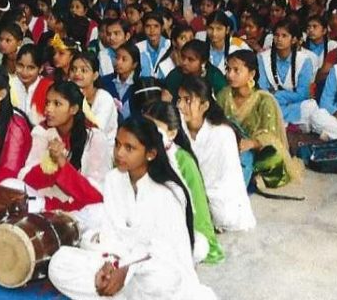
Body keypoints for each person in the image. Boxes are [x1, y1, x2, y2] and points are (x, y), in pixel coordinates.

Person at [48, 117, 216, 300]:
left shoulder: (168, 192)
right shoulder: (113, 179)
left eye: (129, 148)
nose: (119, 153)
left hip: (153, 270)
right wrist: (111, 265)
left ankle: (112, 292)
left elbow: (166, 253)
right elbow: (110, 232)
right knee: (59, 262)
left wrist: (128, 270)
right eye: (117, 144)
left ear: (150, 154)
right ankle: (112, 289)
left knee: (159, 281)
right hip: (120, 259)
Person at [142, 101, 223, 265]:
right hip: (144, 226)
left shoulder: (183, 161)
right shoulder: (140, 154)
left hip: (177, 229)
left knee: (199, 247)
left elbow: (198, 210)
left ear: (172, 133)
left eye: (155, 129)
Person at [17, 81, 106, 224]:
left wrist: (62, 164)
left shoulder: (95, 137)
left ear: (74, 109)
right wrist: (50, 164)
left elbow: (95, 194)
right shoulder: (42, 132)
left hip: (80, 208)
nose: (48, 109)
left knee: (100, 212)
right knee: (9, 185)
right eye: (47, 103)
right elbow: (26, 179)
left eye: (57, 104)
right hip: (46, 202)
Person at [178, 75, 256, 232]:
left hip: (219, 201)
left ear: (204, 105)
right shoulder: (178, 128)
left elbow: (223, 182)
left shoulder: (222, 133)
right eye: (179, 99)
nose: (180, 105)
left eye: (187, 100)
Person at [217, 50, 302, 189]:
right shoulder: (224, 95)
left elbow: (271, 136)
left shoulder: (264, 99)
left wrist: (252, 143)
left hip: (258, 151)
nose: (230, 75)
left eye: (236, 70)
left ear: (251, 74)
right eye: (228, 69)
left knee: (271, 160)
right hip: (231, 146)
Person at [257, 21, 316, 125]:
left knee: (310, 106)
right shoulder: (263, 58)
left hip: (294, 105)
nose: (279, 39)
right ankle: (288, 123)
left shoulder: (304, 60)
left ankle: (280, 121)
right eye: (276, 35)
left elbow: (303, 94)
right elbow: (263, 89)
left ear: (293, 39)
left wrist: (278, 95)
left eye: (284, 36)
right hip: (270, 103)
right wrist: (283, 96)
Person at [69, 52, 118, 153]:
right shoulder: (67, 95)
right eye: (73, 69)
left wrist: (81, 102)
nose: (77, 74)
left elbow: (96, 129)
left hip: (101, 152)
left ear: (95, 75)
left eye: (83, 70)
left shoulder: (104, 98)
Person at [162, 39, 228, 103]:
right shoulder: (176, 74)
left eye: (190, 59)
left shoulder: (215, 77)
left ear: (203, 62)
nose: (184, 62)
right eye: (183, 57)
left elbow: (224, 102)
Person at [10, 42, 53, 127]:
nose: (24, 72)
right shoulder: (8, 84)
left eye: (31, 68)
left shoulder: (49, 88)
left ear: (41, 69)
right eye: (20, 65)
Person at [101, 42, 142, 122]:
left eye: (124, 59)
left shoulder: (139, 85)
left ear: (134, 64)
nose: (118, 62)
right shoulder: (105, 81)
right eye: (117, 58)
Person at [135, 12, 171, 79]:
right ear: (143, 28)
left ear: (162, 28)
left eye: (156, 26)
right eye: (148, 26)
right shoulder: (137, 48)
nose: (152, 30)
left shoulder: (170, 46)